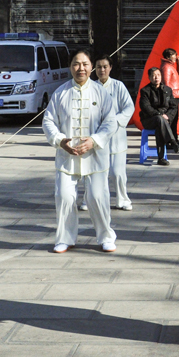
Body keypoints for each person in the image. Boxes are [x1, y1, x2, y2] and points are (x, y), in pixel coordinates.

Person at [43, 49, 117, 254]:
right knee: (64, 197)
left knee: (97, 198)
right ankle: (65, 238)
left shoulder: (101, 92)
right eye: (76, 64)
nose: (81, 68)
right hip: (67, 156)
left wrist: (94, 140)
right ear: (70, 67)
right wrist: (60, 141)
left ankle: (106, 237)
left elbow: (110, 122)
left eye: (85, 64)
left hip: (95, 156)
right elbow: (48, 121)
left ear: (91, 66)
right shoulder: (60, 93)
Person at [82, 55, 135, 212]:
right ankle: (88, 200)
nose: (102, 70)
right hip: (97, 136)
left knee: (118, 173)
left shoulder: (119, 86)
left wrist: (115, 121)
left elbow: (129, 107)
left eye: (105, 66)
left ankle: (123, 200)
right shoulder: (90, 87)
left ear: (110, 68)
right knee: (92, 172)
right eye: (99, 67)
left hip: (116, 136)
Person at [139, 67, 179, 165]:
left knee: (160, 125)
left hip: (163, 120)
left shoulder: (167, 90)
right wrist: (160, 114)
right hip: (149, 119)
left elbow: (173, 107)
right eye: (153, 75)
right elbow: (146, 107)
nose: (156, 77)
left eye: (158, 75)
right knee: (159, 119)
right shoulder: (145, 91)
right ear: (149, 77)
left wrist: (168, 116)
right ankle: (173, 142)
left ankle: (161, 158)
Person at [160, 48, 179, 148]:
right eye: (174, 55)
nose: (175, 57)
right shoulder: (166, 67)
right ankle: (169, 141)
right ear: (168, 57)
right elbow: (166, 83)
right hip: (172, 95)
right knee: (171, 119)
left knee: (174, 119)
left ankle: (174, 140)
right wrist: (168, 96)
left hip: (175, 95)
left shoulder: (171, 66)